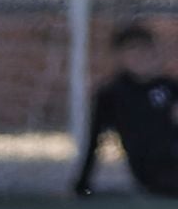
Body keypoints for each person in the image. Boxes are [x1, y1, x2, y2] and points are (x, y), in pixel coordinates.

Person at [72, 20, 178, 198]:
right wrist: (83, 184)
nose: (140, 57)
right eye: (132, 51)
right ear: (119, 56)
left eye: (144, 50)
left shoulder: (170, 87)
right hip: (154, 172)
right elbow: (95, 139)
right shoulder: (112, 94)